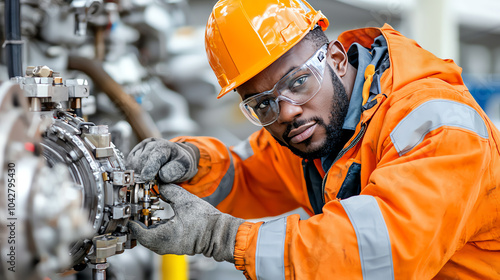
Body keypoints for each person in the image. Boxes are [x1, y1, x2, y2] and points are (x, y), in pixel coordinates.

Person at [126, 0, 500, 279]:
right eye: (263, 103)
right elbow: (247, 174)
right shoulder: (313, 131)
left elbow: (376, 251)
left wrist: (220, 236)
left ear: (336, 58)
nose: (286, 111)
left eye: (298, 81)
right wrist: (191, 160)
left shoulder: (439, 127)